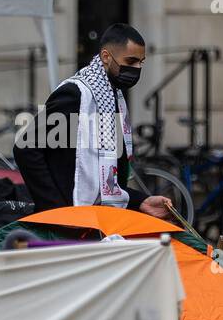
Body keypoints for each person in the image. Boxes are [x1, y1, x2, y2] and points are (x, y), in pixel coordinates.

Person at [14, 23, 173, 218]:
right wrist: (55, 209)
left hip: (97, 220)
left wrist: (141, 201)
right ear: (106, 57)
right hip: (70, 222)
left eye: (141, 62)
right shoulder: (75, 94)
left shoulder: (114, 98)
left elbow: (105, 184)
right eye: (131, 61)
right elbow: (26, 148)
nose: (137, 68)